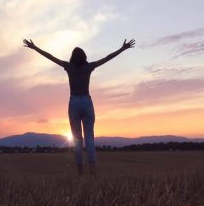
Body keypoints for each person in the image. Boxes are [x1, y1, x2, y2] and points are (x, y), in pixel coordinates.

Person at [22, 38, 136, 177]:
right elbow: (107, 58)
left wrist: (35, 47)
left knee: (77, 140)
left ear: (72, 57)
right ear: (84, 57)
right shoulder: (89, 67)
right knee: (90, 139)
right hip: (87, 102)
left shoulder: (69, 67)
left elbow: (51, 57)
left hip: (74, 102)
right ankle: (93, 174)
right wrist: (122, 49)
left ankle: (80, 175)